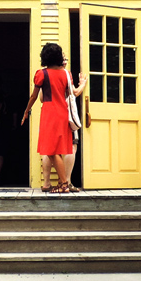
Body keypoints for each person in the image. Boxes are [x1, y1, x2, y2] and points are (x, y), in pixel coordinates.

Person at [20, 43, 84, 193]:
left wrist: (26, 111)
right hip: (63, 112)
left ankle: (63, 184)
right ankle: (64, 183)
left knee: (50, 149)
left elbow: (34, 96)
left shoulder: (41, 74)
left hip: (49, 112)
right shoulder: (67, 74)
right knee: (56, 149)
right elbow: (70, 93)